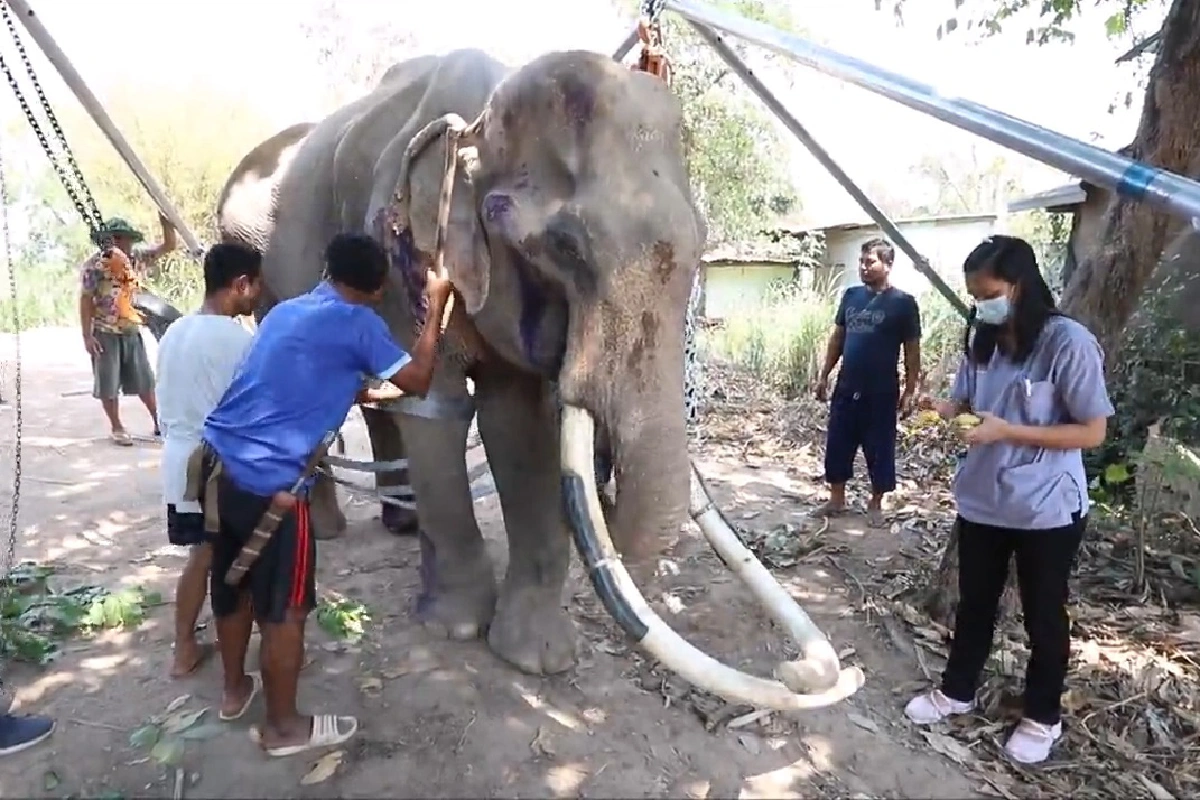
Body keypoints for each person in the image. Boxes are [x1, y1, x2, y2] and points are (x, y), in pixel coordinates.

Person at [197, 232, 451, 757]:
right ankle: (284, 728)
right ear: (378, 289)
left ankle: (234, 691)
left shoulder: (287, 311)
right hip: (276, 489)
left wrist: (354, 388)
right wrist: (437, 304)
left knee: (232, 583)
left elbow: (299, 374)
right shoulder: (359, 323)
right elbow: (421, 379)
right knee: (284, 611)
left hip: (219, 470)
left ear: (327, 270)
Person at [904, 235, 1113, 765]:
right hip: (983, 500)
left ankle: (1043, 716)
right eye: (973, 294)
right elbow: (969, 402)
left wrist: (1010, 432)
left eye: (988, 292)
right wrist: (942, 408)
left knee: (1044, 615)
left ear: (1019, 285)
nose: (981, 303)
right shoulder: (982, 337)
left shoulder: (1068, 343)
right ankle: (957, 690)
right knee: (975, 603)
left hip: (1046, 507)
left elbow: (1092, 432)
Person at [155, 243, 263, 679]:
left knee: (201, 556)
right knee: (242, 560)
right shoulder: (238, 340)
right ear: (240, 284)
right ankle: (249, 653)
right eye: (256, 285)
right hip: (218, 467)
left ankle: (184, 648)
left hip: (179, 461)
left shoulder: (176, 331)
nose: (258, 294)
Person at [813, 237, 921, 528]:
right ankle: (836, 499)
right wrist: (824, 375)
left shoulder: (904, 303)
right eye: (861, 262)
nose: (863, 267)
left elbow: (912, 351)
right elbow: (838, 338)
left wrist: (911, 390)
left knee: (879, 447)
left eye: (870, 262)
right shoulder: (850, 296)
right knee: (838, 442)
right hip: (847, 386)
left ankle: (876, 503)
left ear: (888, 265)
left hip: (882, 391)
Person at [79, 214, 178, 446]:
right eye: (119, 239)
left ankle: (158, 422)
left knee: (145, 381)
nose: (125, 244)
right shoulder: (95, 265)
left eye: (127, 240)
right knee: (108, 382)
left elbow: (168, 246)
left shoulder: (134, 259)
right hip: (105, 330)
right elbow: (85, 300)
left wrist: (167, 223)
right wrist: (87, 336)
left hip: (131, 329)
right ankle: (117, 426)